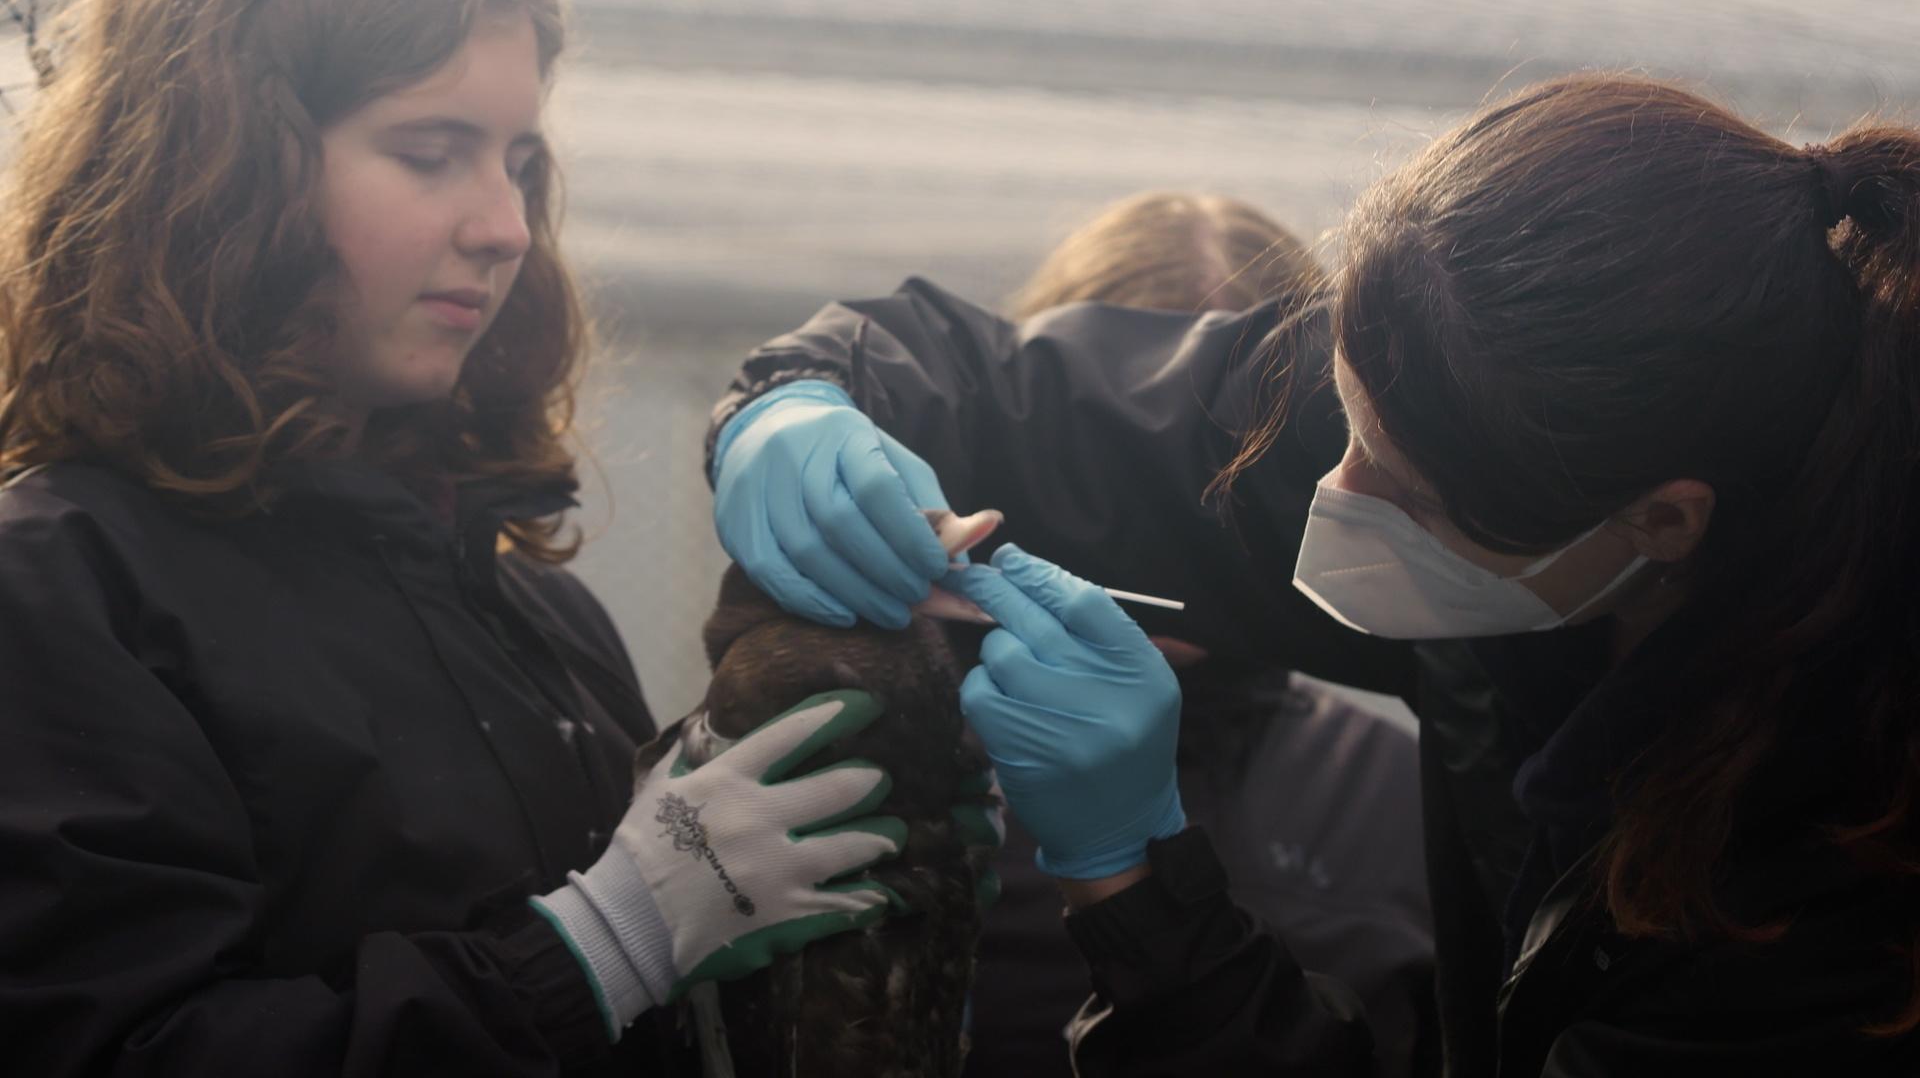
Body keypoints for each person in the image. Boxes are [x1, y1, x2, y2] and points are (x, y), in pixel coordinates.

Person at [707, 74, 1920, 1074]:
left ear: (1660, 522)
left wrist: (1138, 883)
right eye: (1341, 424)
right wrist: (800, 400)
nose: (1329, 499)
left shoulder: (1835, 891)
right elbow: (1021, 397)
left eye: (1408, 495)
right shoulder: (1477, 395)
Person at [0, 1, 987, 1075]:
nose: (507, 225)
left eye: (519, 162)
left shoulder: (531, 609)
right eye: (430, 154)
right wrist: (599, 948)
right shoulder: (58, 587)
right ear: (219, 173)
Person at [962, 190, 1436, 1078]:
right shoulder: (918, 767)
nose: (1171, 531)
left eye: (1232, 469)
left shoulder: (1402, 794)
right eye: (1112, 473)